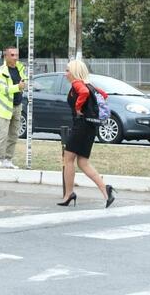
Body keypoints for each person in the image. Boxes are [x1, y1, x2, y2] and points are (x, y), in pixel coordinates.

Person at [58, 60, 116, 208]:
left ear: (74, 72)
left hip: (81, 125)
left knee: (68, 158)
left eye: (67, 70)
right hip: (91, 126)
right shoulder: (90, 85)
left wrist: (78, 107)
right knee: (83, 162)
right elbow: (103, 95)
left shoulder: (78, 84)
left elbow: (83, 93)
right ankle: (106, 190)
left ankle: (69, 193)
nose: (66, 73)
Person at [0, 46, 26, 169]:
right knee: (4, 134)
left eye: (16, 55)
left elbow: (24, 82)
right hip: (4, 107)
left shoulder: (20, 68)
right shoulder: (0, 72)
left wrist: (25, 85)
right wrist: (18, 87)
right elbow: (3, 89)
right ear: (6, 56)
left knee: (14, 134)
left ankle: (8, 159)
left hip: (17, 105)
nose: (15, 57)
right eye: (12, 55)